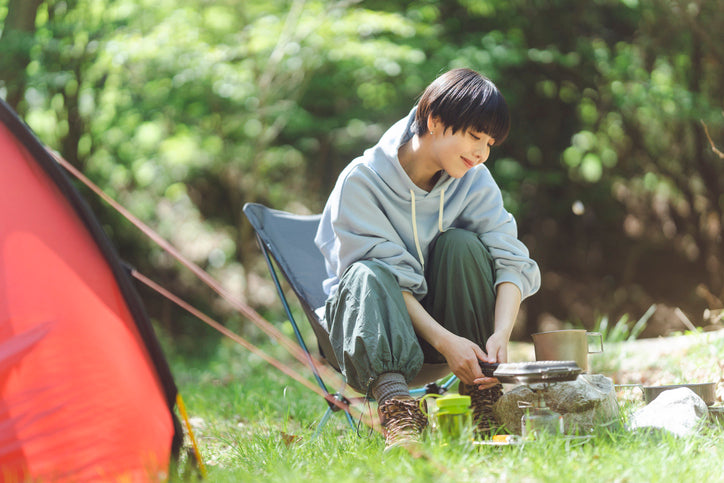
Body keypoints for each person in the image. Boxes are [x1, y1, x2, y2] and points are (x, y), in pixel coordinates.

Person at [314, 68, 541, 450]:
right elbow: (381, 280)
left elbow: (510, 258)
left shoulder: (474, 178)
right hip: (369, 334)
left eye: (489, 142)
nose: (482, 152)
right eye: (474, 136)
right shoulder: (362, 180)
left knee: (463, 245)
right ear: (435, 120)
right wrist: (445, 340)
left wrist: (501, 333)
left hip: (442, 335)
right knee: (369, 272)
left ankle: (481, 396)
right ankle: (398, 412)